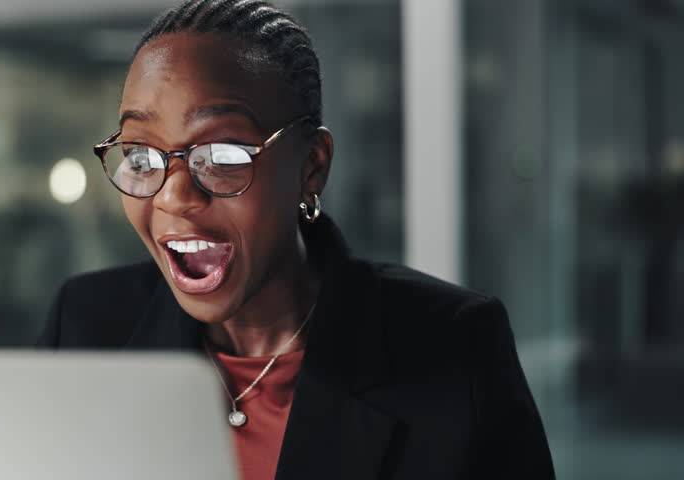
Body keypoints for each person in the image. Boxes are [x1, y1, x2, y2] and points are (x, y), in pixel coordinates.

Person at [37, 1, 556, 478]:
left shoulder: (456, 348)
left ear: (311, 167)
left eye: (222, 155)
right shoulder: (85, 325)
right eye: (140, 154)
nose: (174, 197)